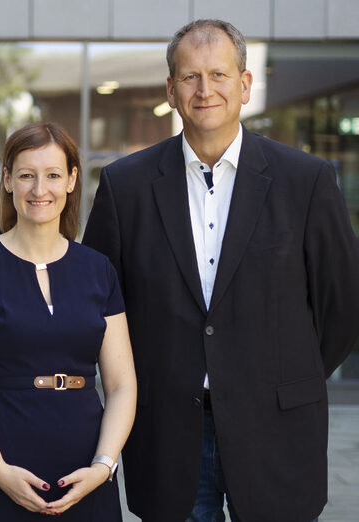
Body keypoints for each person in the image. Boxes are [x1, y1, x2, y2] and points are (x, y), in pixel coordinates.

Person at [83, 18, 359, 522]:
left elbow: (342, 306)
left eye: (219, 75)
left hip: (278, 426)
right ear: (170, 89)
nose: (204, 90)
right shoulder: (126, 187)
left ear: (245, 85)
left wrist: (281, 377)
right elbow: (102, 307)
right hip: (169, 432)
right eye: (190, 77)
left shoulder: (307, 181)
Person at [0, 122, 137, 520]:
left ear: (71, 180)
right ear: (8, 180)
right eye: (27, 175)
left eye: (52, 175)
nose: (39, 189)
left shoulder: (98, 269)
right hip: (2, 466)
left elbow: (121, 384)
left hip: (86, 472)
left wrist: (103, 466)